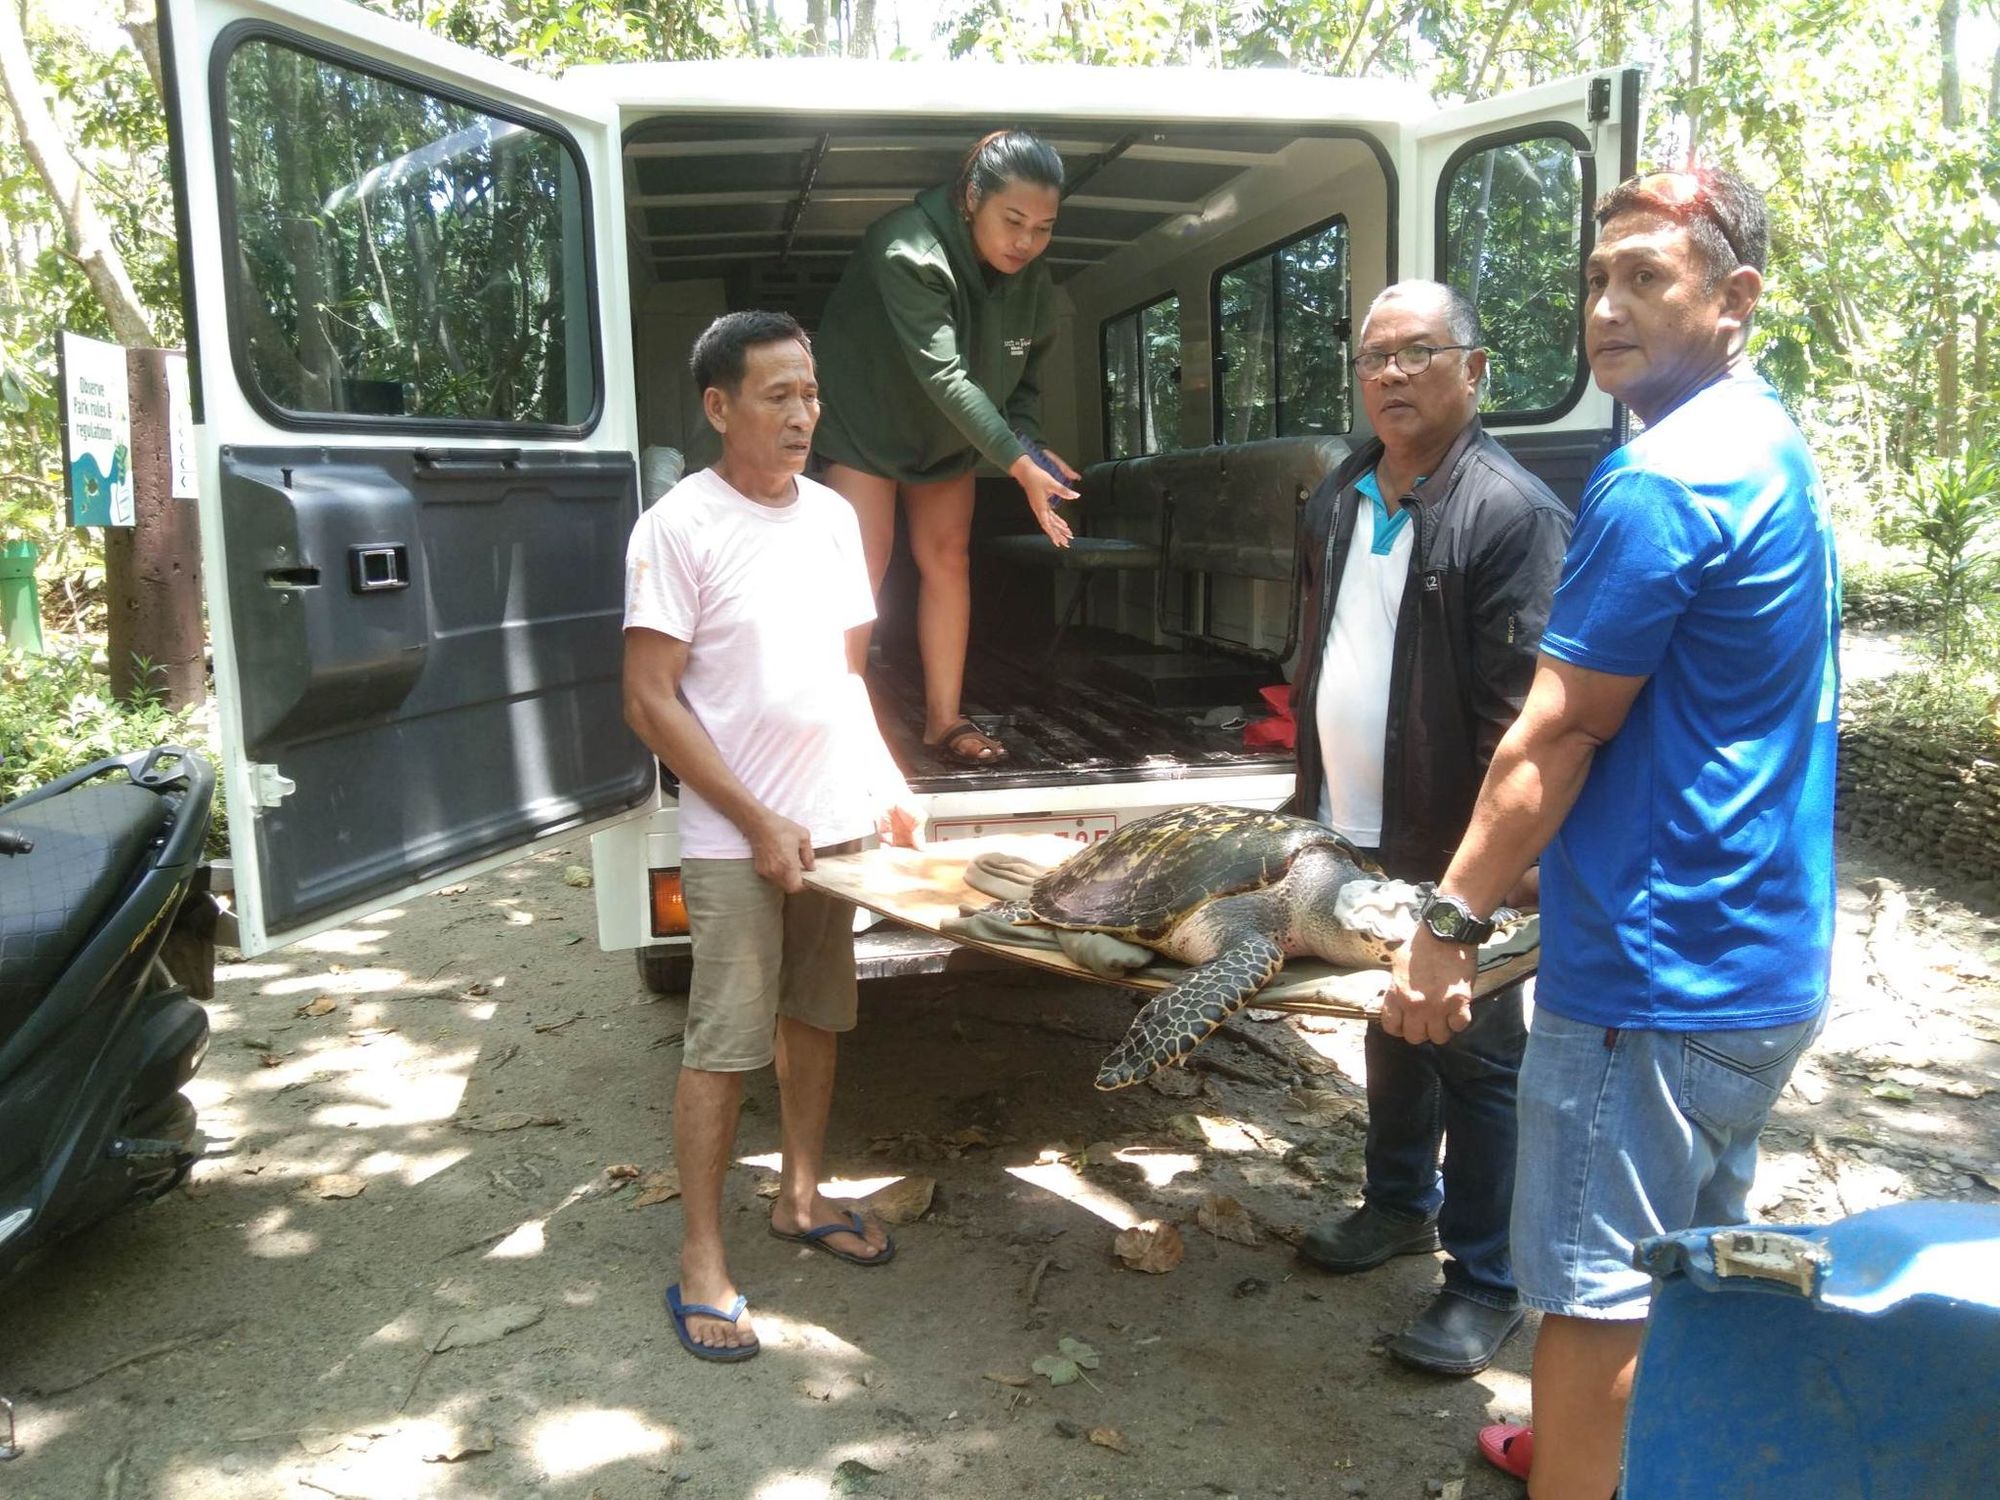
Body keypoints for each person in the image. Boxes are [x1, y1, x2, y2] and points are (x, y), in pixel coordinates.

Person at [1386, 167, 1836, 1498]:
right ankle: (1624, 1457)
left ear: (1734, 298)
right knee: (1686, 1255)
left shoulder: (1660, 481)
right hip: (1759, 951)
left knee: (1592, 1296)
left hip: (1655, 976)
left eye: (1646, 277)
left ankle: (1582, 1458)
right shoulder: (1765, 441)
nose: (1605, 308)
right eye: (1596, 280)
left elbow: (1556, 736)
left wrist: (1447, 924)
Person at [623, 310, 924, 1363]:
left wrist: (884, 777)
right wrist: (754, 819)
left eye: (810, 393)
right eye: (778, 395)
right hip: (734, 836)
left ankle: (800, 1197)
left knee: (816, 1015)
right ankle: (702, 1257)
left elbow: (842, 675)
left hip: (832, 827)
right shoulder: (676, 527)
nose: (803, 415)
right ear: (719, 407)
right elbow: (649, 699)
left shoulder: (834, 518)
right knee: (723, 1044)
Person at [1290, 281, 1572, 1376]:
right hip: (1351, 822)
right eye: (1374, 357)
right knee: (1390, 1021)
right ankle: (1398, 1203)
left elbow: (1525, 716)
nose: (1392, 374)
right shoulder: (1340, 493)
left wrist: (1496, 870)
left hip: (1453, 844)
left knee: (1478, 1053)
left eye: (1418, 352)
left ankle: (1486, 1280)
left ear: (1474, 370)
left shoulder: (1510, 513)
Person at [811, 129, 1080, 766]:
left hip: (951, 438)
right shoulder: (905, 247)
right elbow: (945, 375)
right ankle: (839, 731)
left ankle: (943, 720)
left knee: (947, 558)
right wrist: (1016, 464)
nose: (1026, 242)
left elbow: (1023, 378)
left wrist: (1030, 443)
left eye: (1043, 228)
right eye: (1012, 220)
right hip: (867, 423)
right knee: (864, 565)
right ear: (971, 199)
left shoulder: (1034, 281)